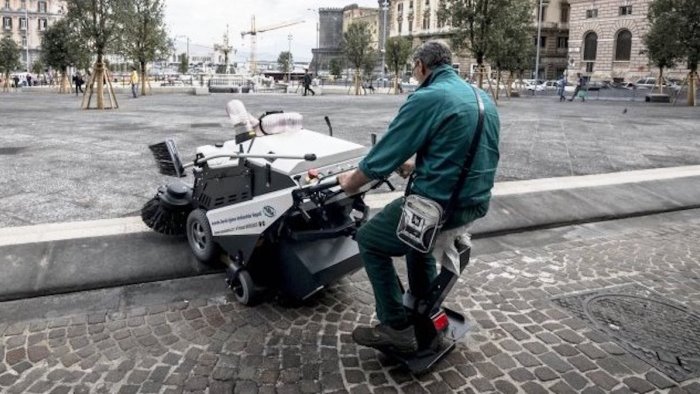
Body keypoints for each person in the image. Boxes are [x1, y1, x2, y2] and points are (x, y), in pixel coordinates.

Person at [337, 41, 500, 353]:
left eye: (413, 68)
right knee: (417, 242)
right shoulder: (481, 96)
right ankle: (423, 307)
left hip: (438, 207)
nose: (413, 74)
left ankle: (395, 327)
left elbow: (379, 159)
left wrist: (349, 182)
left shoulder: (428, 97)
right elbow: (470, 150)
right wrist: (418, 165)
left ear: (423, 67)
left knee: (370, 238)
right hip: (473, 203)